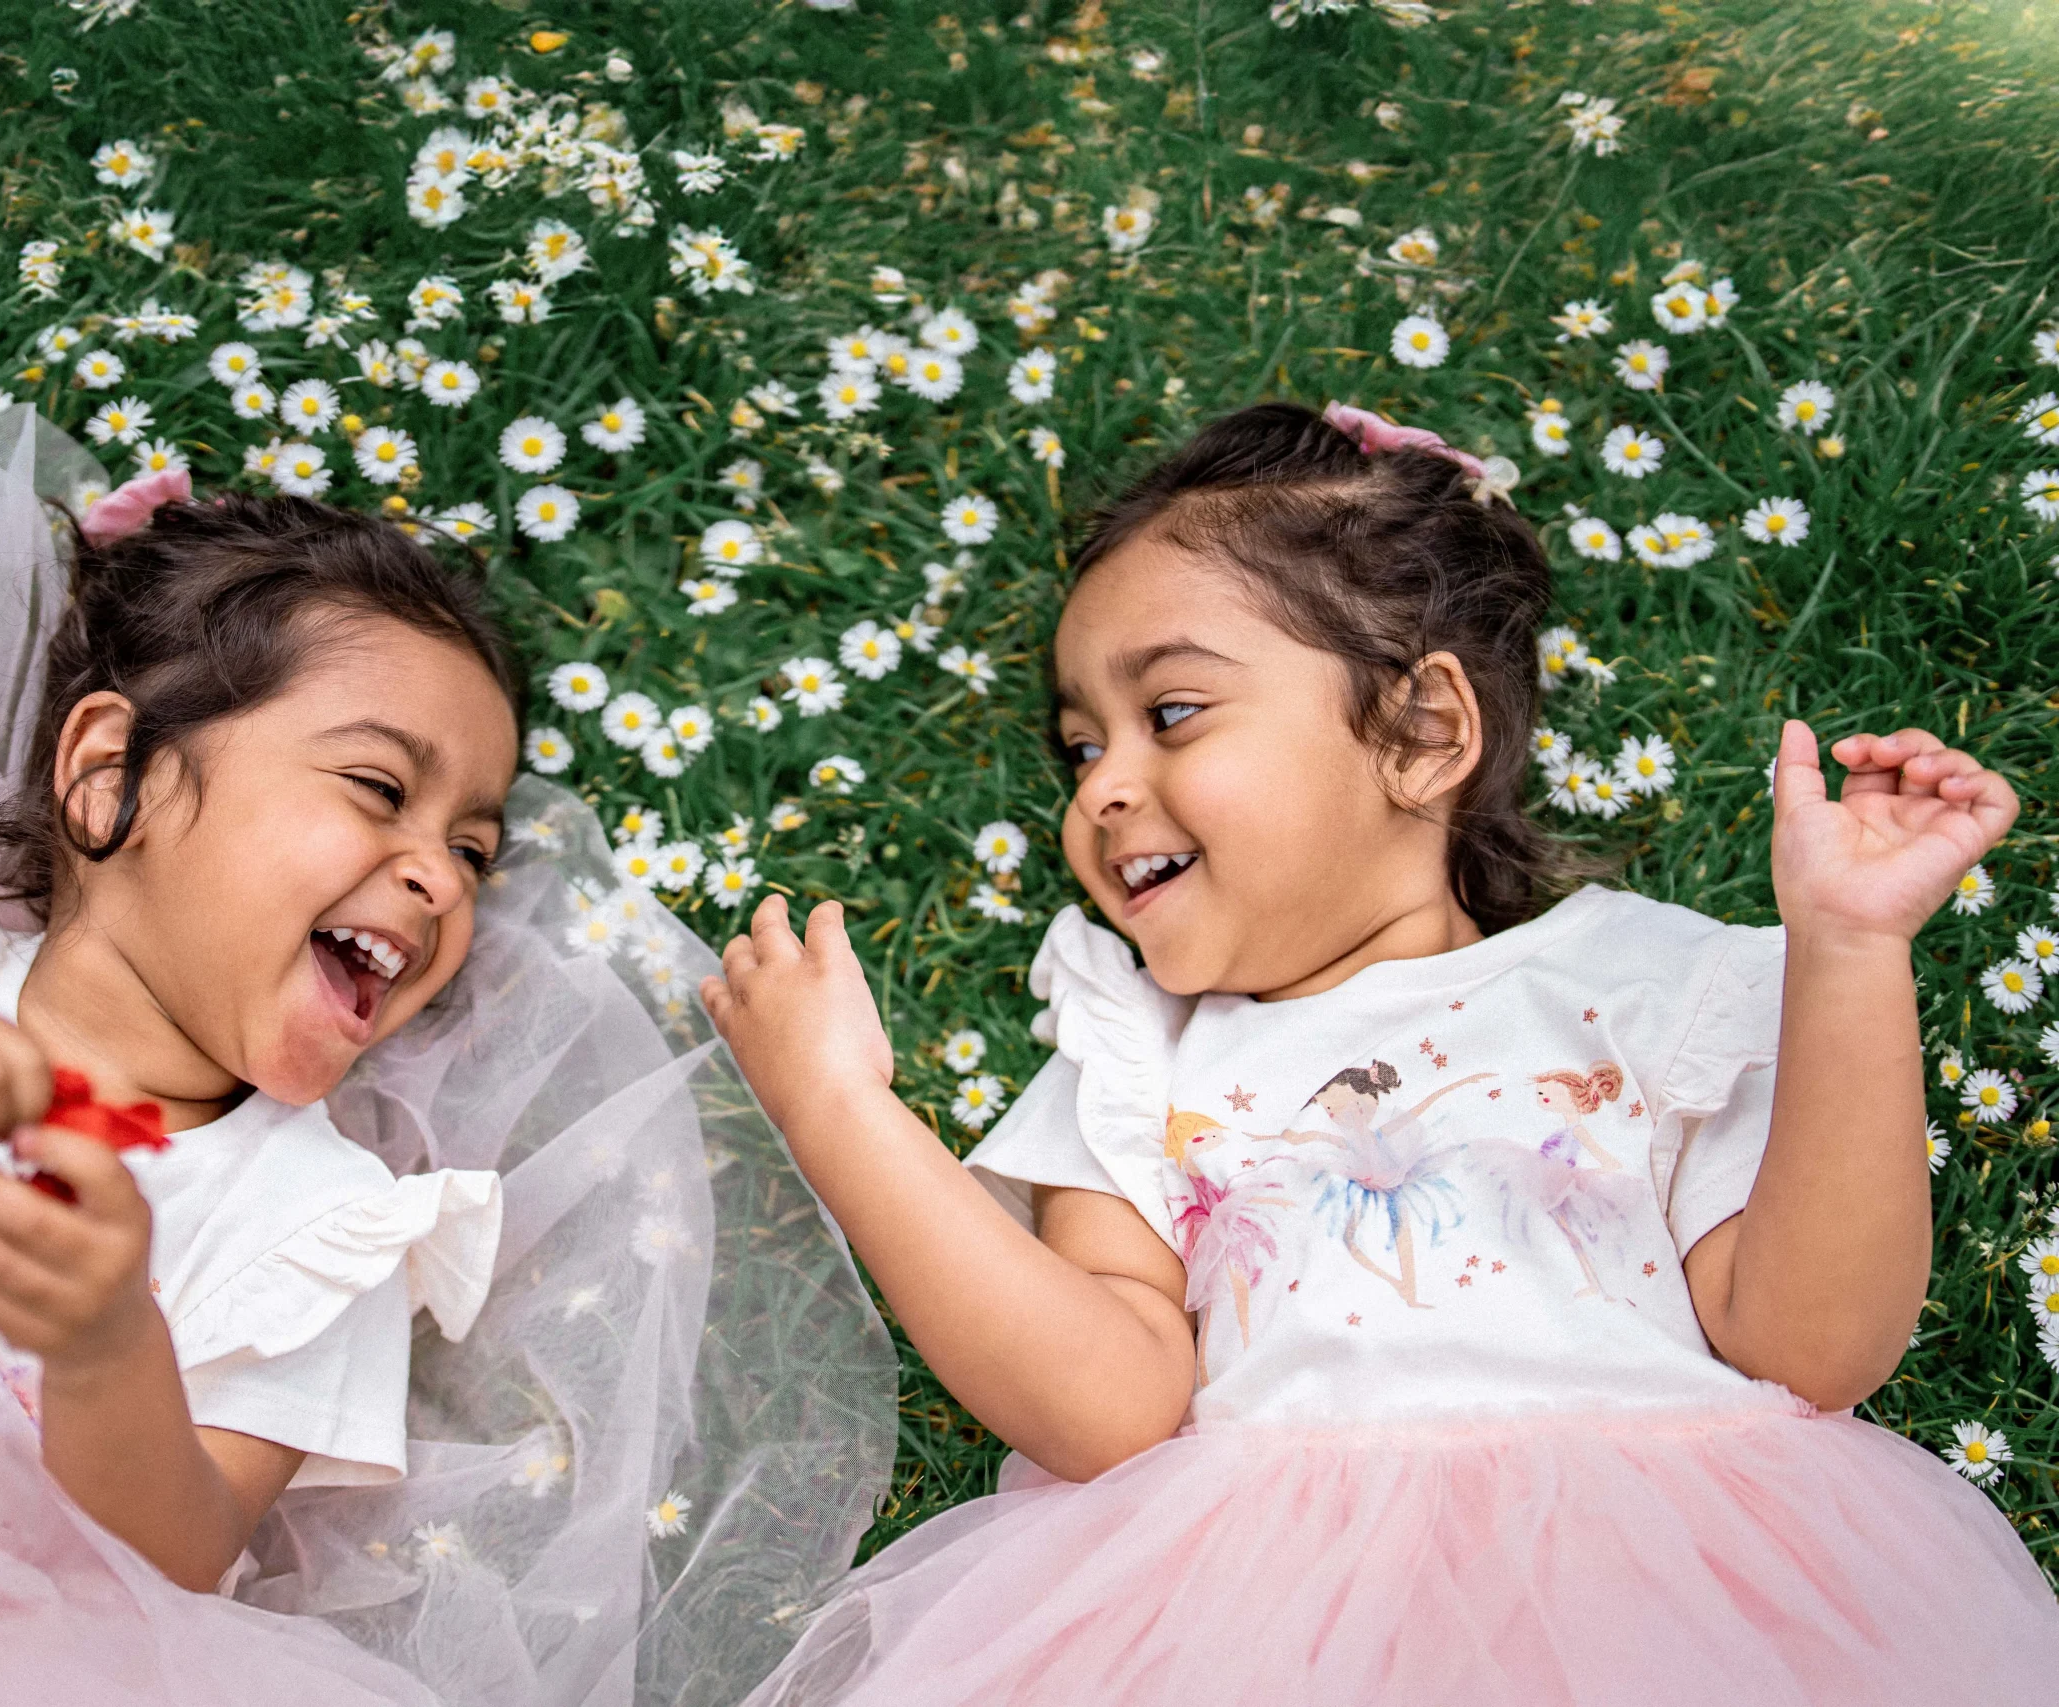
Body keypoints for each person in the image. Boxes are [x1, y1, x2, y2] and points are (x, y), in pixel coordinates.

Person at [0, 408, 894, 1707]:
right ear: (112, 776)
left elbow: (167, 1571)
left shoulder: (323, 1226)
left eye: (472, 852)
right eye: (378, 789)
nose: (437, 878)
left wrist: (112, 1341)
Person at [703, 400, 2059, 1703]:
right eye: (1078, 747)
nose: (1101, 787)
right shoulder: (1137, 1057)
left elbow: (1815, 1343)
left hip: (1661, 1607)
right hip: (1254, 1629)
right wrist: (843, 1111)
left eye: (1169, 713)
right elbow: (1104, 1407)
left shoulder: (1637, 987)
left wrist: (1851, 953)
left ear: (1422, 732)